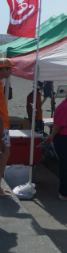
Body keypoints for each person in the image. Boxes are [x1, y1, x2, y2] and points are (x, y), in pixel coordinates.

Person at [0, 59, 14, 198]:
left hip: (2, 124)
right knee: (5, 153)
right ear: (4, 69)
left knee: (4, 153)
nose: (11, 72)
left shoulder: (1, 84)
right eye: (10, 69)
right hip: (1, 125)